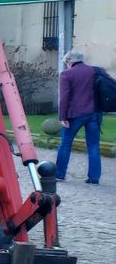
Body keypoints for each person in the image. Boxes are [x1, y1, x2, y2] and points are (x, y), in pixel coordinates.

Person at [57, 49, 102, 185]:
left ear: (70, 62)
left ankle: (59, 174)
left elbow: (64, 97)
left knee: (65, 144)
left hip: (74, 114)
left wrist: (62, 116)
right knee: (94, 145)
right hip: (94, 113)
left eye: (66, 62)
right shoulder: (96, 71)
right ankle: (94, 178)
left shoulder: (66, 74)